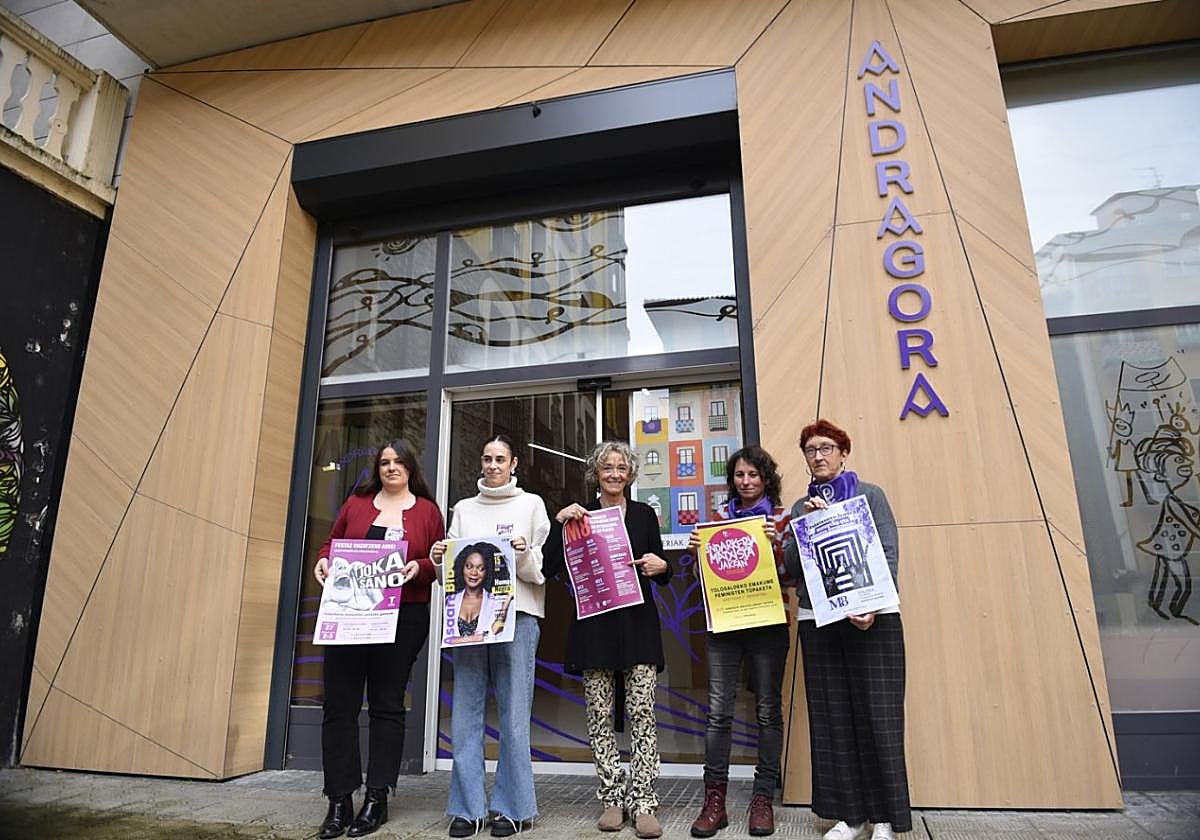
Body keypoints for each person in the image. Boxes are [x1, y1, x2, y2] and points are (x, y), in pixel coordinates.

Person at [781, 420, 911, 840]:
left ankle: (885, 819)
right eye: (811, 450)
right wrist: (804, 527)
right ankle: (850, 817)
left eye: (826, 448)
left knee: (879, 717)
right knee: (832, 718)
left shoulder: (870, 495)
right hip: (819, 619)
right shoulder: (800, 506)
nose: (818, 456)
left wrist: (871, 605)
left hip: (874, 618)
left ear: (843, 453)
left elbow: (887, 550)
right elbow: (792, 567)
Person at [313, 439, 444, 839]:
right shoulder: (356, 504)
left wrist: (419, 567)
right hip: (349, 616)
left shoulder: (427, 511)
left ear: (410, 468)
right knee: (339, 705)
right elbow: (331, 543)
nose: (391, 467)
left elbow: (438, 561)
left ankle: (377, 799)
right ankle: (339, 799)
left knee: (387, 705)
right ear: (377, 468)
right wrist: (323, 560)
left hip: (403, 618)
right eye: (384, 462)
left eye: (398, 461)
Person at [542, 441, 672, 840]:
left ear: (630, 475)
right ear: (595, 475)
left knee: (643, 713)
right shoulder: (579, 517)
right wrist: (558, 522)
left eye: (621, 468)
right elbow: (548, 566)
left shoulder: (645, 514)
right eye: (606, 467)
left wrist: (662, 566)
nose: (614, 474)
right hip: (595, 628)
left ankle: (644, 801)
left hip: (638, 626)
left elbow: (661, 568)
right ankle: (612, 798)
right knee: (598, 714)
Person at [431, 435, 551, 838]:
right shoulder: (464, 509)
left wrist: (522, 552)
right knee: (465, 713)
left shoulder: (531, 504)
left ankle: (513, 807)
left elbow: (539, 571)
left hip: (519, 616)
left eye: (500, 459)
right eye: (487, 458)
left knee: (515, 716)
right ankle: (467, 809)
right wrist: (438, 560)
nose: (493, 465)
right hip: (469, 621)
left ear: (513, 463)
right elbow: (450, 575)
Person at [687, 445, 791, 838]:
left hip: (768, 624)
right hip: (725, 625)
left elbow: (792, 575)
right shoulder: (717, 520)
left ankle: (762, 799)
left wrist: (777, 545)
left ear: (766, 478)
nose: (746, 482)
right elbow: (703, 579)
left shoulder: (781, 518)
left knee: (767, 711)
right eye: (739, 475)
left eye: (753, 474)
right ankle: (714, 802)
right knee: (718, 713)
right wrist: (698, 555)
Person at [445, 540, 513, 643]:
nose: (473, 572)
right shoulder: (449, 600)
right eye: (469, 566)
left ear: (488, 571)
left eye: (481, 568)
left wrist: (505, 606)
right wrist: (478, 638)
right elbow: (446, 640)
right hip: (455, 653)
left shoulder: (494, 601)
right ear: (461, 567)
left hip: (486, 650)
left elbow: (494, 632)